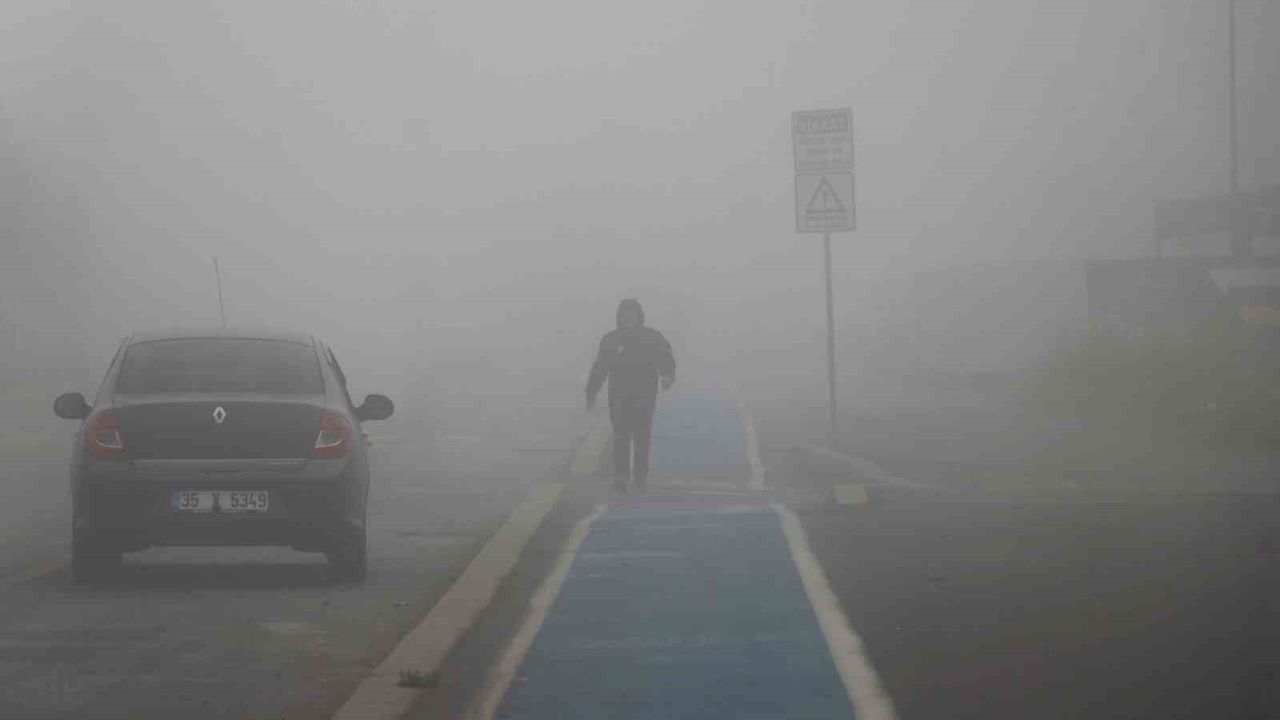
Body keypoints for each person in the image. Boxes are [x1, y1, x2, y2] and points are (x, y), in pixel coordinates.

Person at [586, 299, 676, 492]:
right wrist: (591, 391)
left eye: (632, 314)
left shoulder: (651, 337)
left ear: (639, 316)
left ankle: (640, 476)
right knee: (621, 436)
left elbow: (665, 357)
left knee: (642, 436)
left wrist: (668, 375)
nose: (629, 318)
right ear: (620, 317)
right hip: (619, 396)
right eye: (625, 315)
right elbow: (600, 367)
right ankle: (621, 476)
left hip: (645, 395)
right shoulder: (611, 340)